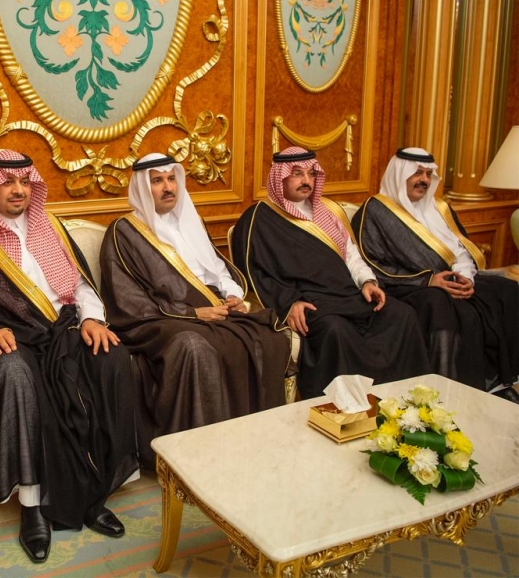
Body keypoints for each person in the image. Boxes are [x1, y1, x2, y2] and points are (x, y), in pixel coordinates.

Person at [0, 150, 139, 564]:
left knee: (110, 358)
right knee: (17, 374)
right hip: (4, 339)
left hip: (61, 330)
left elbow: (80, 285)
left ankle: (95, 492)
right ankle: (32, 507)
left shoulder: (50, 226)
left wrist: (92, 319)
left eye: (25, 182)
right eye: (8, 183)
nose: (19, 190)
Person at [99, 153, 292, 466]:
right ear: (142, 187)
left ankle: (251, 441)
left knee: (269, 338)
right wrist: (192, 315)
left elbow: (216, 270)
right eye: (157, 181)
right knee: (193, 345)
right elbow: (128, 300)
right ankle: (198, 454)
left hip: (211, 309)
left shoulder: (190, 220)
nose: (168, 187)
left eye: (171, 179)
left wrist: (233, 295)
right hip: (156, 319)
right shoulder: (124, 231)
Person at [231, 147, 431, 398]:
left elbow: (351, 255)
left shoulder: (326, 213)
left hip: (347, 295)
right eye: (297, 173)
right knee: (336, 331)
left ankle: (402, 401)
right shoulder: (258, 218)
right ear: (280, 177)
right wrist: (289, 304)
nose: (306, 180)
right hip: (310, 302)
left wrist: (367, 281)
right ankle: (345, 406)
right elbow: (255, 275)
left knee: (401, 315)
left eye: (311, 173)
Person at [352, 148, 519, 400]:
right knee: (445, 306)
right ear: (399, 174)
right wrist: (428, 280)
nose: (424, 180)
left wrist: (465, 278)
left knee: (508, 290)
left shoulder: (440, 207)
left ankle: (501, 383)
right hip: (407, 286)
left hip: (452, 279)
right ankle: (451, 393)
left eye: (428, 174)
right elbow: (371, 265)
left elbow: (461, 250)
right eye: (417, 173)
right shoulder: (375, 210)